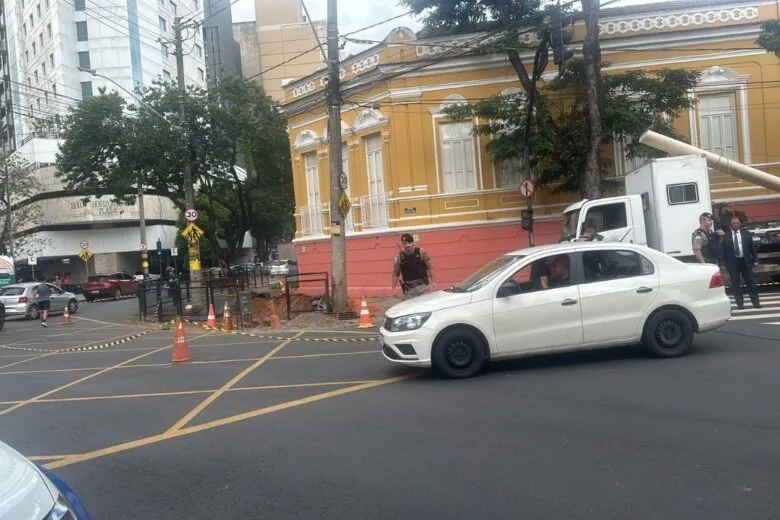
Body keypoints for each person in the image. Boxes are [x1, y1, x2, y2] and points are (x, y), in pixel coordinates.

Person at [722, 216, 761, 309]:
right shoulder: (726, 236)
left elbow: (752, 248)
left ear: (740, 224)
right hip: (733, 263)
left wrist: (755, 260)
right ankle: (740, 304)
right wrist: (722, 264)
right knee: (735, 284)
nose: (735, 225)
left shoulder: (746, 234)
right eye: (733, 223)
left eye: (737, 223)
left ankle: (756, 302)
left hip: (745, 261)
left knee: (751, 282)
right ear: (730, 225)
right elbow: (722, 251)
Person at [391, 233, 435, 299]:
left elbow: (430, 267)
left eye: (409, 242)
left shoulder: (421, 252)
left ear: (413, 242)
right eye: (405, 243)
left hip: (423, 287)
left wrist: (433, 281)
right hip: (409, 290)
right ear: (402, 244)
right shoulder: (399, 256)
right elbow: (395, 274)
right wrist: (393, 288)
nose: (407, 245)